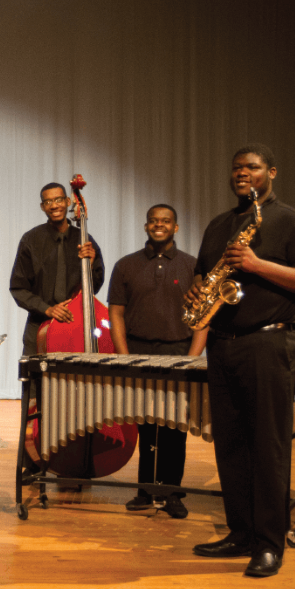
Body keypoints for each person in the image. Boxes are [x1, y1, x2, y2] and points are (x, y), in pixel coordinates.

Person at [186, 144, 295, 578]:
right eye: (237, 168)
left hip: (268, 342)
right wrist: (197, 291)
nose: (242, 173)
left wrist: (257, 264)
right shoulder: (219, 225)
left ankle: (269, 543)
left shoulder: (291, 222)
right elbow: (204, 273)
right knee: (230, 445)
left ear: (272, 173)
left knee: (268, 445)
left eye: (252, 167)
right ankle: (241, 533)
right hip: (223, 343)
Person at [107, 204, 208, 519]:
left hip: (179, 353)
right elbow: (116, 314)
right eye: (153, 220)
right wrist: (124, 357)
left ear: (175, 227)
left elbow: (203, 317)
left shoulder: (193, 266)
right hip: (138, 352)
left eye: (165, 221)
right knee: (146, 426)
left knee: (175, 428)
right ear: (146, 226)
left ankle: (172, 493)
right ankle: (145, 492)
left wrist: (192, 359)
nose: (159, 225)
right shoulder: (126, 265)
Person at [10, 182, 104, 356]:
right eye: (48, 202)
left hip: (77, 325)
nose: (54, 206)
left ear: (68, 202)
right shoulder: (30, 240)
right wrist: (48, 309)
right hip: (39, 325)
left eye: (58, 200)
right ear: (42, 207)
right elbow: (18, 288)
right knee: (35, 373)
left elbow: (94, 288)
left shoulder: (85, 240)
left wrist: (90, 266)